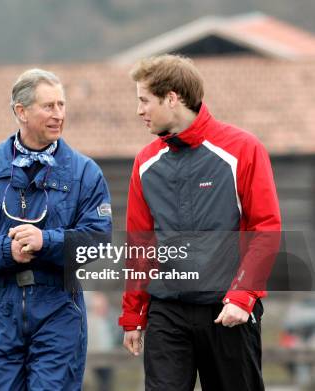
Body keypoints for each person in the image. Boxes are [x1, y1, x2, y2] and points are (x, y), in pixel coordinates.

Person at [118, 54, 281, 391]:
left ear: (172, 98)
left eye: (144, 100)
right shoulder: (145, 162)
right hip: (167, 312)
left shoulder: (244, 149)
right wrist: (133, 315)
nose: (140, 111)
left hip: (229, 310)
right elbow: (140, 244)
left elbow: (265, 229)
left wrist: (243, 296)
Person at [0, 68, 112, 390]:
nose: (58, 114)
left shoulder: (85, 173)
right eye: (48, 106)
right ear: (21, 111)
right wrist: (6, 251)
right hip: (0, 303)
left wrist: (45, 241)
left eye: (61, 105)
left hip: (60, 306)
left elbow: (99, 239)